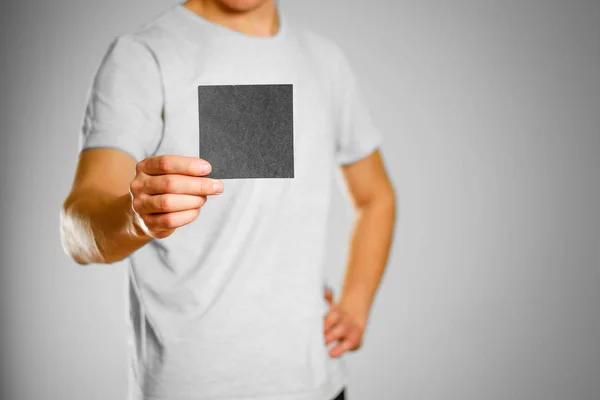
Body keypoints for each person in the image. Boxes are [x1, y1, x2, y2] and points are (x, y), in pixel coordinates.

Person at [60, 0, 396, 399]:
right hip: (190, 387)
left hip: (315, 383)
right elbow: (77, 225)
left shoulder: (324, 62)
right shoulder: (144, 57)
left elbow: (376, 197)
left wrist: (355, 304)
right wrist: (137, 218)